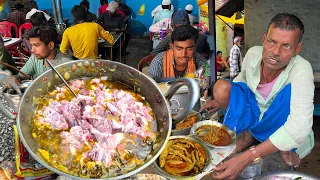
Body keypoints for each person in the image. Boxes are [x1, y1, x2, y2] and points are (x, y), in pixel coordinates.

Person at [200, 13, 314, 179]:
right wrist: (219, 101)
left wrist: (247, 157)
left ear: (298, 49)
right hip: (255, 114)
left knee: (288, 96)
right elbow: (241, 80)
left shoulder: (302, 69)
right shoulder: (253, 54)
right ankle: (250, 136)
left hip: (277, 119)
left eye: (287, 46)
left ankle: (275, 143)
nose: (275, 52)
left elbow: (299, 126)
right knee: (221, 87)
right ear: (264, 39)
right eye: (272, 42)